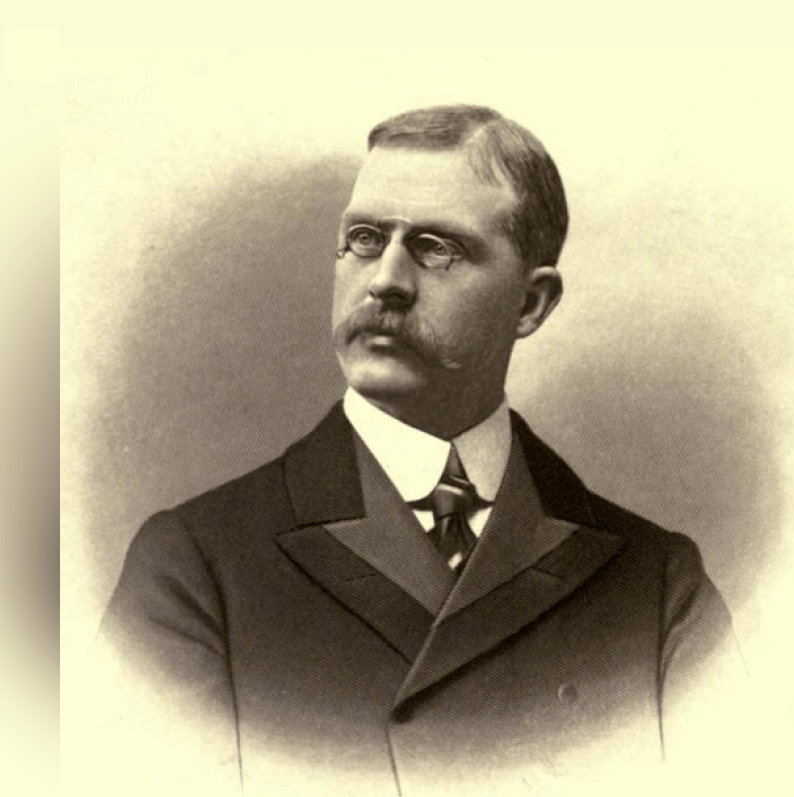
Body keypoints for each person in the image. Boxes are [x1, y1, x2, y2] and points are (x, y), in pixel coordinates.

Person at [98, 105, 747, 797]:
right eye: (365, 239)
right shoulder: (194, 568)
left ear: (531, 304)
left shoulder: (659, 588)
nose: (386, 280)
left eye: (437, 248)